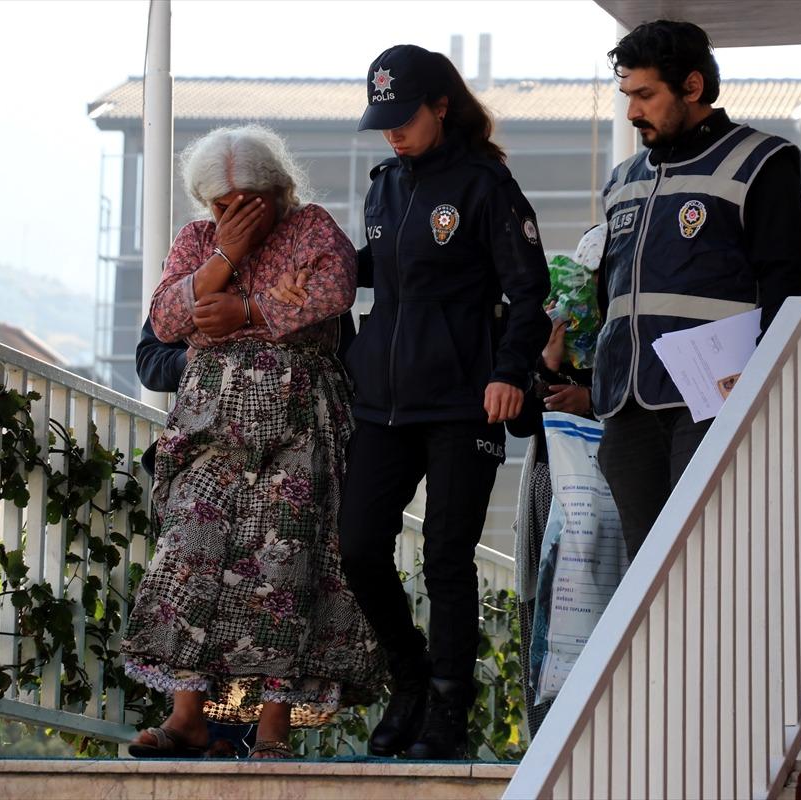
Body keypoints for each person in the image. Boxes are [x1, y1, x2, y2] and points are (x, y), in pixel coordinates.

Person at [122, 125, 383, 760]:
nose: (236, 214)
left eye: (252, 202)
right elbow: (168, 318)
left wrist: (245, 312)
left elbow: (332, 289)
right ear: (204, 203)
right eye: (222, 206)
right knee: (189, 553)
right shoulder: (196, 240)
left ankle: (271, 729)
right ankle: (186, 716)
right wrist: (224, 259)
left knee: (285, 565)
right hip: (211, 425)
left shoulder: (313, 226)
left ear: (281, 190)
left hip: (299, 422)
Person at [329, 44, 551, 760]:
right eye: (383, 119)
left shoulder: (486, 185)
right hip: (381, 403)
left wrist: (510, 371)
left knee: (446, 560)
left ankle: (450, 713)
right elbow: (373, 270)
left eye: (404, 117)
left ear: (441, 107)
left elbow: (529, 292)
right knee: (357, 547)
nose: (392, 131)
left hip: (464, 401)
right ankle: (411, 681)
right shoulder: (383, 185)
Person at [593, 20, 801, 560]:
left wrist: (758, 384)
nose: (632, 112)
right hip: (626, 405)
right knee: (644, 573)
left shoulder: (761, 161)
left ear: (692, 88)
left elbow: (791, 284)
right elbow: (612, 297)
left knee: (708, 560)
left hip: (713, 400)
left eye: (646, 95)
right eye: (628, 96)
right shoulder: (622, 179)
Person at [507, 224, 606, 737]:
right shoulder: (555, 326)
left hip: (611, 498)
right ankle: (547, 740)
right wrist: (548, 363)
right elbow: (520, 420)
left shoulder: (634, 332)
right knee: (546, 604)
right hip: (553, 486)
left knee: (607, 606)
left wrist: (592, 401)